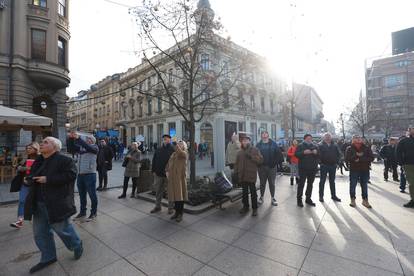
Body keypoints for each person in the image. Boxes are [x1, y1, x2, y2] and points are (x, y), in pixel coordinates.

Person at [24, 137, 83, 274]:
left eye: (46, 142)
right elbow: (32, 174)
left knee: (62, 229)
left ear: (55, 147)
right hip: (38, 202)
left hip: (56, 203)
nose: (42, 144)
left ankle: (77, 244)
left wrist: (48, 179)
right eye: (42, 142)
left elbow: (71, 175)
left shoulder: (65, 160)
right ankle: (48, 257)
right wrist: (28, 179)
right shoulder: (39, 160)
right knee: (40, 233)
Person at [10, 142, 40, 229]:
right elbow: (17, 167)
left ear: (35, 148)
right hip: (25, 183)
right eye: (27, 148)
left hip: (36, 184)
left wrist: (33, 168)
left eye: (30, 148)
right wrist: (23, 168)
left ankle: (39, 220)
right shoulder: (25, 158)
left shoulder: (40, 158)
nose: (28, 150)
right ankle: (19, 220)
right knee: (22, 201)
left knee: (37, 202)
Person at [71, 133, 99, 221]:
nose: (88, 140)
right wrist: (72, 138)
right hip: (80, 175)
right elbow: (71, 147)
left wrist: (79, 138)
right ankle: (82, 212)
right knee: (82, 195)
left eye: (90, 139)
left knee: (92, 194)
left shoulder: (94, 148)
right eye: (87, 139)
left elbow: (87, 146)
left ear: (93, 141)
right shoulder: (81, 149)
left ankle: (93, 213)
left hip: (90, 174)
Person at [234, 135, 263, 216]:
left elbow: (260, 160)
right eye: (243, 141)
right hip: (242, 175)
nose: (245, 142)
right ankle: (245, 207)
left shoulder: (255, 150)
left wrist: (251, 156)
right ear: (241, 142)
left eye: (246, 140)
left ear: (249, 141)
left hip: (251, 175)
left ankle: (255, 209)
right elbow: (236, 163)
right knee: (244, 193)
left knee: (253, 193)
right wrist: (235, 173)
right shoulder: (239, 152)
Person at [345, 135, 374, 208]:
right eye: (356, 138)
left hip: (365, 169)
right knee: (353, 185)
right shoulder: (349, 148)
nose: (358, 139)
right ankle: (352, 199)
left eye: (359, 138)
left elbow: (371, 158)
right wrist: (355, 156)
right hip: (354, 169)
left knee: (364, 185)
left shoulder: (366, 148)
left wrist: (360, 159)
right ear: (353, 139)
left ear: (362, 140)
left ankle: (365, 200)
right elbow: (347, 158)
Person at [256, 131, 283, 206]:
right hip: (261, 167)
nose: (264, 134)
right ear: (261, 135)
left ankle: (273, 198)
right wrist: (258, 163)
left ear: (268, 135)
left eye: (265, 133)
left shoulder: (273, 144)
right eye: (263, 133)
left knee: (272, 183)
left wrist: (274, 163)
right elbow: (255, 155)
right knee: (262, 183)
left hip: (272, 168)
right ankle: (261, 197)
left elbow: (279, 155)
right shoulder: (258, 145)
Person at [151, 134, 175, 213]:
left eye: (166, 139)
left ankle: (170, 208)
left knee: (170, 192)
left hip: (169, 175)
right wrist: (153, 170)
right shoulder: (158, 149)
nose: (165, 140)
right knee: (158, 191)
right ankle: (158, 206)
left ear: (169, 140)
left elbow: (175, 162)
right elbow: (154, 160)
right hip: (159, 174)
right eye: (164, 139)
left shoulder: (173, 149)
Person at [166, 140, 188, 222]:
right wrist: (167, 171)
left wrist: (176, 145)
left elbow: (181, 153)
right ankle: (176, 212)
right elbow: (168, 164)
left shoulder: (184, 153)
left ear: (184, 146)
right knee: (175, 196)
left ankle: (180, 214)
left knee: (180, 197)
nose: (179, 145)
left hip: (180, 179)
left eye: (181, 144)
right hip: (172, 178)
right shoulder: (173, 154)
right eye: (178, 144)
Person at [295, 134, 319, 207]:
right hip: (303, 168)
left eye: (310, 138)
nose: (309, 139)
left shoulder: (315, 146)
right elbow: (296, 154)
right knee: (301, 184)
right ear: (304, 139)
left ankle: (308, 198)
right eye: (308, 138)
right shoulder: (300, 146)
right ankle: (299, 199)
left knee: (310, 184)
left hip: (312, 168)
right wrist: (303, 153)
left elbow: (319, 155)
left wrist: (316, 153)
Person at [318, 133, 342, 203]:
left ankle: (333, 195)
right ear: (323, 137)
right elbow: (318, 155)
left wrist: (337, 163)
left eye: (329, 137)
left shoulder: (335, 145)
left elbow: (339, 154)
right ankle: (321, 196)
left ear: (331, 138)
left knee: (332, 182)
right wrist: (320, 163)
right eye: (326, 136)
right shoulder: (320, 145)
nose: (328, 138)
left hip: (332, 166)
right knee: (322, 181)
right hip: (324, 165)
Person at [396, 127, 414, 208]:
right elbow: (398, 151)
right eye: (411, 129)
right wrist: (401, 163)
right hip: (408, 165)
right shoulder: (404, 141)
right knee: (412, 183)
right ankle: (413, 200)